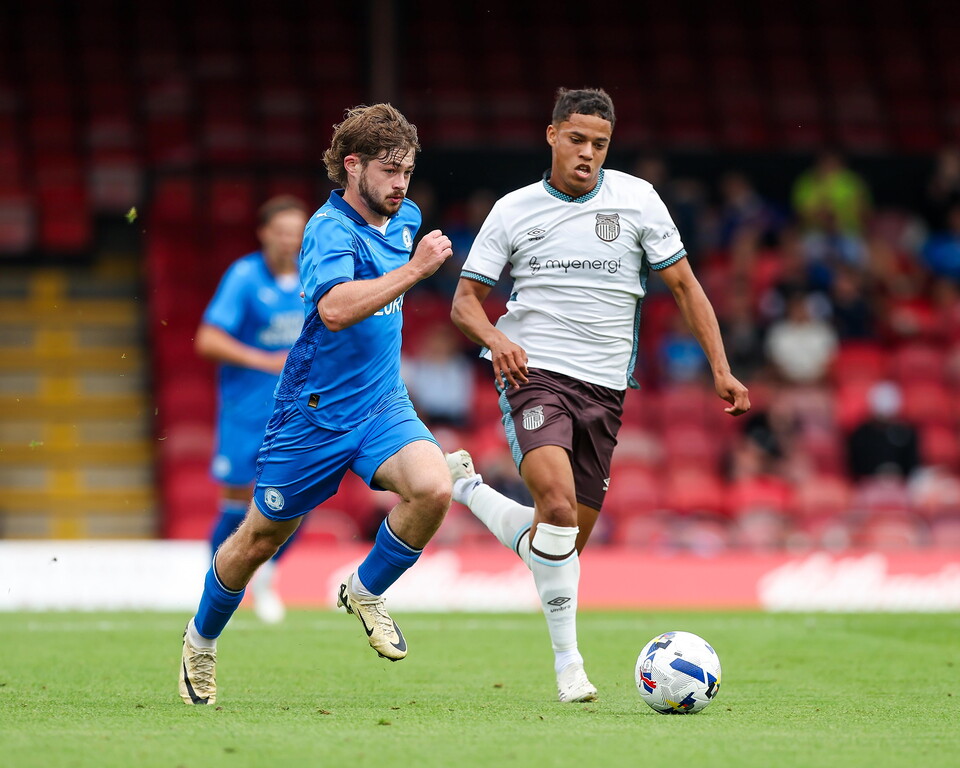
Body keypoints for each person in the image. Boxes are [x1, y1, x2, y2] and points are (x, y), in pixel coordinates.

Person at [445, 88, 751, 704]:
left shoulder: (638, 199)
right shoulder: (513, 210)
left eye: (600, 144)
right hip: (534, 375)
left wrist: (721, 368)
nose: (588, 153)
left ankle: (469, 490)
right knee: (557, 509)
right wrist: (497, 339)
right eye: (577, 139)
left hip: (606, 390)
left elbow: (686, 286)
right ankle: (570, 667)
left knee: (558, 547)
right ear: (552, 135)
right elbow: (464, 303)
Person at [180, 103, 455, 705]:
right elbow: (333, 310)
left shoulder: (405, 217)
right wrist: (415, 271)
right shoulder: (328, 230)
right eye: (389, 170)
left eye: (407, 170)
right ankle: (200, 640)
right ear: (352, 166)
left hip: (382, 403)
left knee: (434, 488)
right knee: (260, 538)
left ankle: (365, 589)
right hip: (313, 415)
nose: (401, 184)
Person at [195, 195, 309, 625]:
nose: (289, 241)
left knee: (303, 494)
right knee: (236, 501)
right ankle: (218, 587)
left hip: (298, 411)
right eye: (282, 232)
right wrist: (267, 360)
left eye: (297, 233)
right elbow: (208, 339)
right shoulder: (244, 276)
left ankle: (267, 576)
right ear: (264, 234)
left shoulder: (314, 275)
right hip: (246, 410)